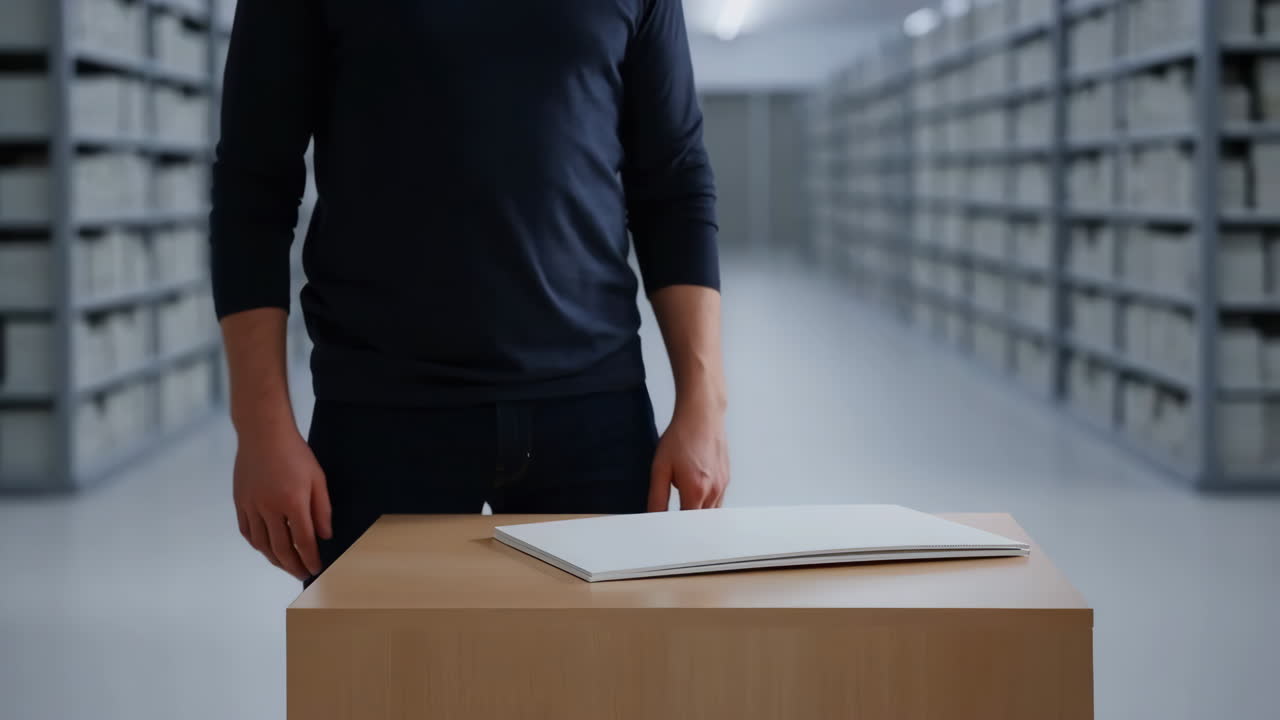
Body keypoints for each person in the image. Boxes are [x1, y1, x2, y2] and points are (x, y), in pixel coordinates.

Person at [210, 0, 729, 582]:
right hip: (382, 412)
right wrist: (260, 429)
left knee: (604, 645)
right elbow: (252, 188)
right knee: (374, 647)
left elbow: (674, 180)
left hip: (594, 412)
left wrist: (703, 405)